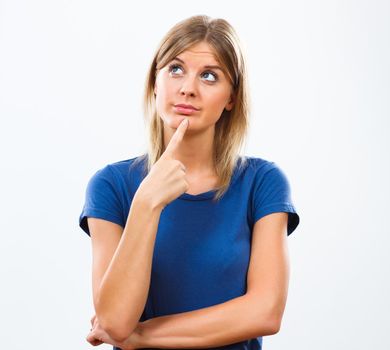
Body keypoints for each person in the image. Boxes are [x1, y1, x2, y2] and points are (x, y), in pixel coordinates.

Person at [78, 15, 300, 350]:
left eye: (209, 76)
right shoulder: (111, 186)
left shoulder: (262, 183)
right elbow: (114, 320)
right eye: (175, 69)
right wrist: (146, 203)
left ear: (231, 98)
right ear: (155, 82)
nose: (188, 88)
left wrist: (140, 337)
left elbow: (265, 312)